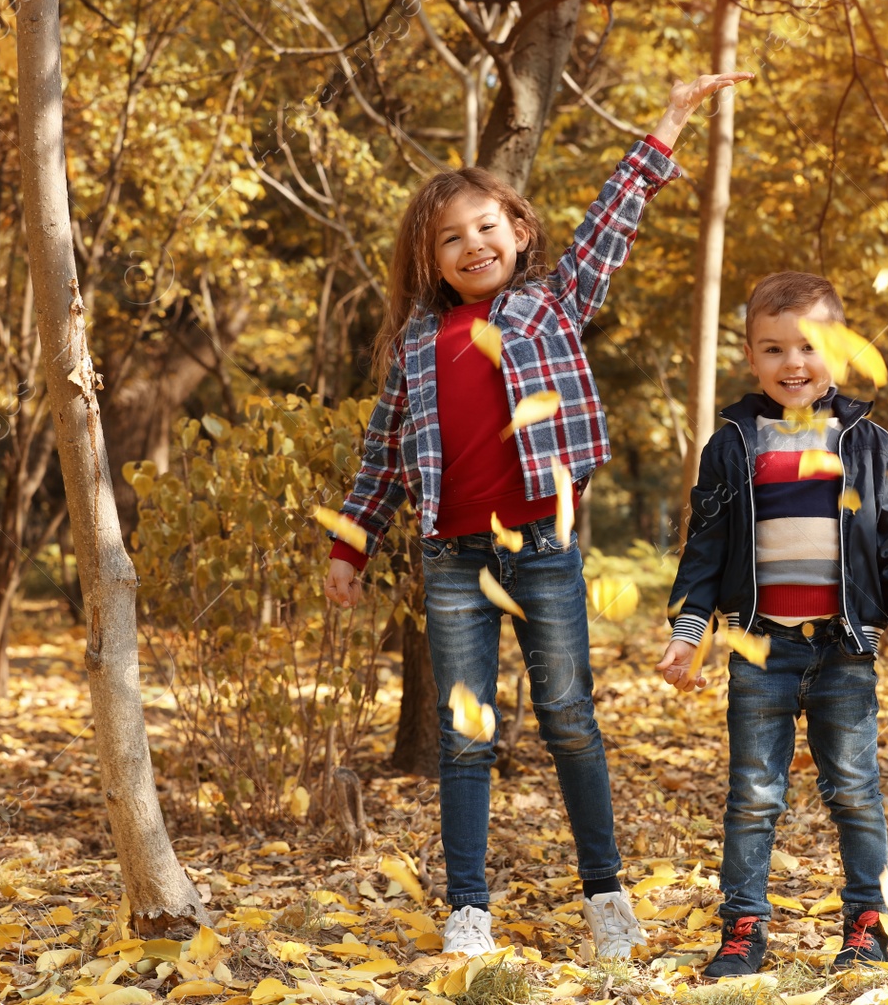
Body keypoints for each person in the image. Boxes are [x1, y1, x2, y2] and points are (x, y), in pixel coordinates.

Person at [322, 71, 752, 960]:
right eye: (451, 238)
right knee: (464, 735)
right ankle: (468, 908)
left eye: (487, 227)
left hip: (545, 548)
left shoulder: (551, 302)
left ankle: (606, 897)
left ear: (517, 232)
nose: (473, 244)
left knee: (569, 720)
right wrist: (348, 547)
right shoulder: (416, 343)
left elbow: (611, 221)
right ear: (430, 258)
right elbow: (380, 456)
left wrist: (668, 118)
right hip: (452, 560)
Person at [656, 272, 888, 976]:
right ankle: (744, 926)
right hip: (761, 647)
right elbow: (706, 545)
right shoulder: (734, 444)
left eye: (808, 346)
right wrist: (689, 630)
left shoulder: (870, 444)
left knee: (855, 791)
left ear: (837, 350)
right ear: (752, 357)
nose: (793, 364)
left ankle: (866, 923)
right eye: (774, 349)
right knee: (753, 794)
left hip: (843, 650)